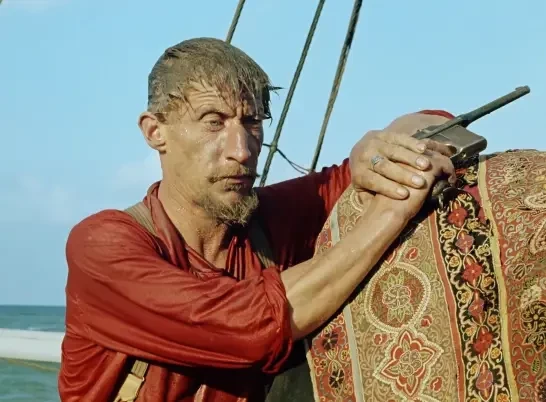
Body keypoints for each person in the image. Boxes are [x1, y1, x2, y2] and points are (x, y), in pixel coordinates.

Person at [58, 37, 456, 402]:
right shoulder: (103, 246)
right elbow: (248, 327)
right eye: (213, 122)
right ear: (155, 131)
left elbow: (432, 126)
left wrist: (382, 145)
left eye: (252, 122)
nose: (242, 150)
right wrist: (392, 211)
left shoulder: (268, 223)